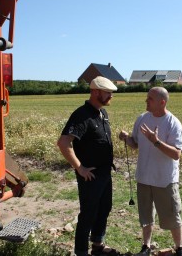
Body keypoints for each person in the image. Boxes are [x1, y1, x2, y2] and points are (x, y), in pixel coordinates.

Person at [119, 87, 182, 256]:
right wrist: (126, 138)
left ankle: (179, 248)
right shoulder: (142, 119)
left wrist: (156, 141)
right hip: (143, 178)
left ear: (162, 102)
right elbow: (135, 144)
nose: (145, 101)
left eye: (149, 98)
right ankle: (146, 247)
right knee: (146, 216)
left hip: (165, 180)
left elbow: (176, 154)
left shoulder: (173, 123)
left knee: (172, 216)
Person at [57, 76, 120, 256]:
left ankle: (98, 246)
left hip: (105, 173)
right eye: (107, 92)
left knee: (104, 208)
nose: (111, 96)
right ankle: (81, 251)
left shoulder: (102, 113)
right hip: (90, 175)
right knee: (88, 214)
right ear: (95, 92)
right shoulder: (82, 115)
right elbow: (63, 143)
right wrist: (80, 168)